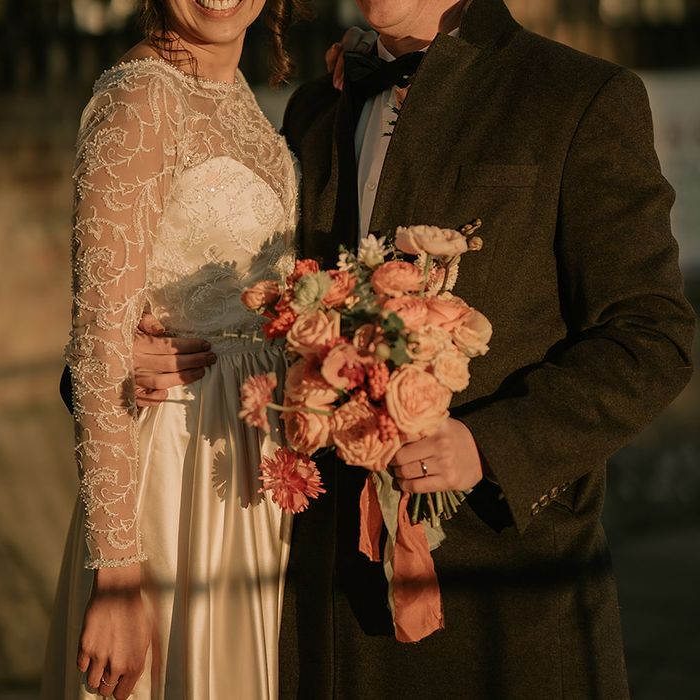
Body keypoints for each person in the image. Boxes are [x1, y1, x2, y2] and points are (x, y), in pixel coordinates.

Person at [127, 0, 695, 698]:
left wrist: (490, 445)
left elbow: (652, 334)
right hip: (323, 606)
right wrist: (122, 359)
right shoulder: (314, 107)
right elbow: (241, 295)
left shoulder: (579, 96)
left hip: (504, 611)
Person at [42, 1, 306, 698]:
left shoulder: (238, 93)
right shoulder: (139, 97)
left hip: (253, 463)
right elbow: (99, 345)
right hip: (177, 468)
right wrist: (121, 579)